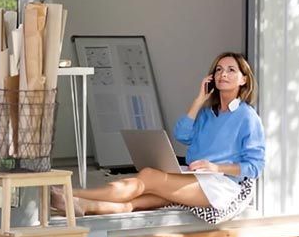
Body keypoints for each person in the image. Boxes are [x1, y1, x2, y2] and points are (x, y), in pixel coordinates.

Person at [51, 52, 265, 216]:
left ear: (244, 80)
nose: (223, 74)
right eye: (218, 70)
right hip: (193, 177)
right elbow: (182, 134)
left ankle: (69, 193)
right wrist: (199, 100)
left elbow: (255, 167)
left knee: (148, 177)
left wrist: (216, 167)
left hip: (219, 186)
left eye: (231, 70)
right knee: (137, 200)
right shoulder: (208, 113)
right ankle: (81, 206)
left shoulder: (247, 117)